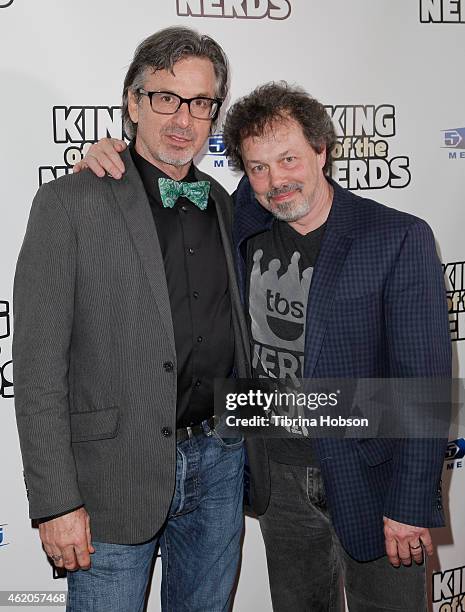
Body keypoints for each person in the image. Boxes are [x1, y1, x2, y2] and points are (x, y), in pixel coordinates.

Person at [77, 83, 451, 611]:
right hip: (278, 479)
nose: (275, 181)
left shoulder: (396, 237)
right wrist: (109, 153)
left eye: (289, 159)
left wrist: (411, 502)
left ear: (322, 151)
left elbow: (424, 383)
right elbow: (157, 194)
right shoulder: (240, 220)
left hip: (375, 478)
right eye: (256, 167)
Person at [13, 27, 250, 612]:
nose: (182, 119)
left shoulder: (224, 203)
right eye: (165, 97)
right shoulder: (71, 201)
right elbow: (39, 367)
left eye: (200, 103)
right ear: (132, 102)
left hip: (220, 465)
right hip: (112, 478)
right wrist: (55, 503)